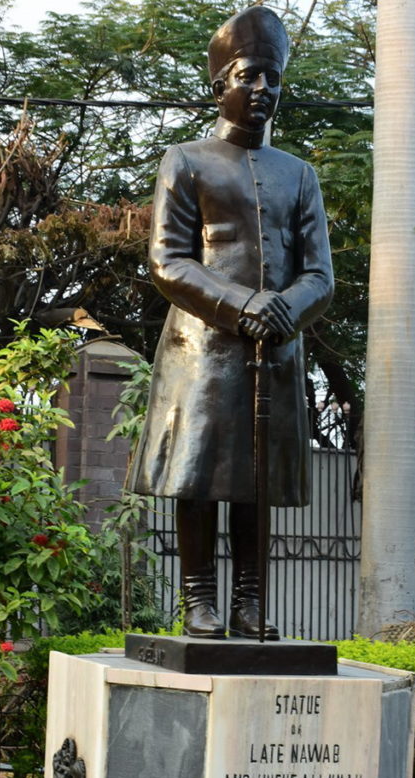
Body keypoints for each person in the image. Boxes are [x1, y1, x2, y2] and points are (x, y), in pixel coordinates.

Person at [128, 5, 334, 639]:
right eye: (249, 76)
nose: (262, 89)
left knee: (258, 480)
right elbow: (167, 260)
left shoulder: (299, 174)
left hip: (276, 348)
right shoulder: (186, 160)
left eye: (272, 78)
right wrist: (243, 304)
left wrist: (284, 311)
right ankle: (198, 600)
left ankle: (250, 601)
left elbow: (320, 275)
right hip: (203, 344)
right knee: (202, 473)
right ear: (222, 85)